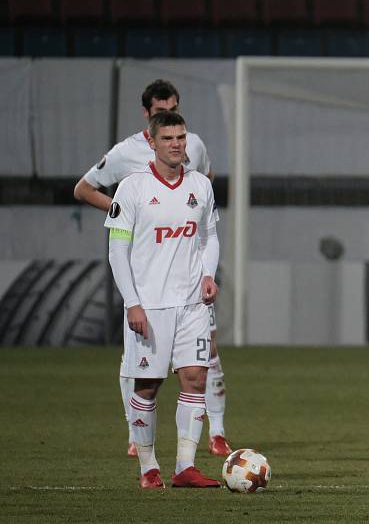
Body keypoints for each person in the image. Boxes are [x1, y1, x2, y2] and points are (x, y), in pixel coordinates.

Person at [74, 79, 232, 457]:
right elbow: (83, 188)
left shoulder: (193, 145)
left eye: (175, 110)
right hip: (151, 276)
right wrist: (124, 213)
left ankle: (216, 433)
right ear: (148, 116)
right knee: (142, 371)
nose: (176, 137)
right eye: (162, 114)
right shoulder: (126, 155)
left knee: (205, 358)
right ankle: (138, 438)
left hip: (190, 271)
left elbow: (202, 191)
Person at [105, 110, 221, 488]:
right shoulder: (132, 188)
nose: (176, 145)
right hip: (149, 306)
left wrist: (208, 274)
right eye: (168, 138)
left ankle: (184, 467)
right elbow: (116, 251)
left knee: (195, 378)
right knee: (148, 386)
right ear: (152, 143)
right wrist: (131, 302)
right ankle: (148, 467)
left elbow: (209, 237)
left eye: (181, 138)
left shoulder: (200, 185)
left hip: (192, 305)